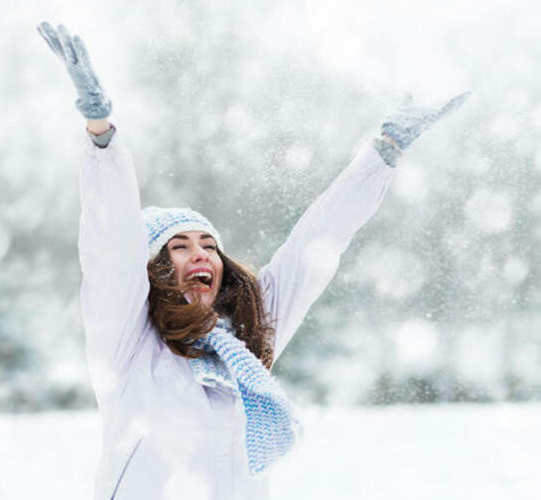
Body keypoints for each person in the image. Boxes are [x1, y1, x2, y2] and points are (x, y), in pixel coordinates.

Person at [36, 21, 469, 500]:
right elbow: (111, 249)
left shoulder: (246, 344)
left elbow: (315, 245)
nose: (201, 253)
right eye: (179, 246)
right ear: (154, 270)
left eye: (208, 244)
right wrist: (102, 136)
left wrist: (383, 151)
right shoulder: (128, 347)